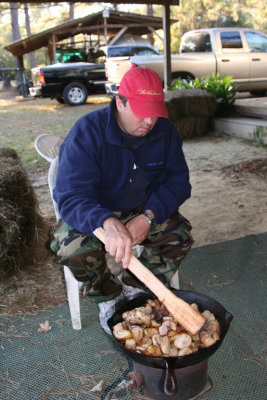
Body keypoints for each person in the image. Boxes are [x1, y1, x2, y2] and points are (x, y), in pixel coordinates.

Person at [50, 66, 193, 334]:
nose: (149, 121)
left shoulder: (165, 132)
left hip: (141, 207)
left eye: (155, 111)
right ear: (119, 102)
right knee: (72, 249)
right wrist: (106, 220)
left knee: (179, 235)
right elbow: (70, 195)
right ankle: (108, 298)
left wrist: (148, 217)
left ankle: (135, 288)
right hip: (95, 210)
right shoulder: (87, 132)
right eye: (141, 111)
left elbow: (178, 183)